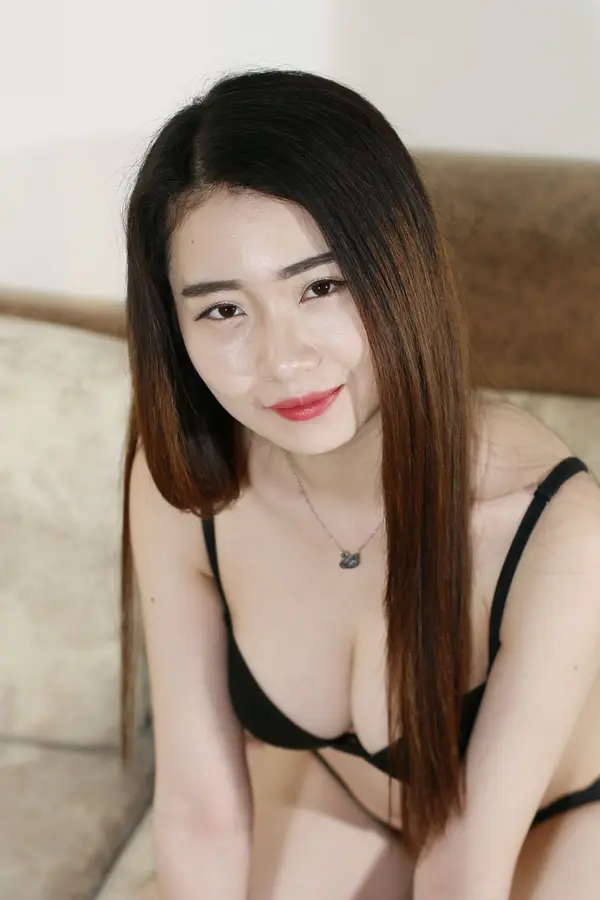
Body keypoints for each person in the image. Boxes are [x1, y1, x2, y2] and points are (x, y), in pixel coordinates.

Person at [119, 68, 600, 900]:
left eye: (322, 286)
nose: (284, 360)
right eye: (224, 310)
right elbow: (199, 809)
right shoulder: (192, 486)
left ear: (399, 270)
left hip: (557, 821)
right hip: (348, 795)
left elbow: (464, 871)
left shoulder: (554, 528)